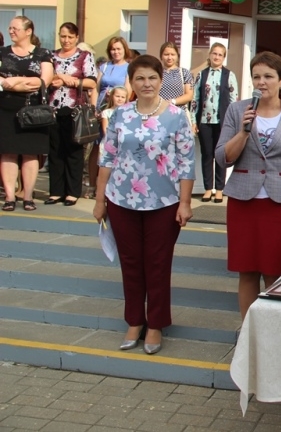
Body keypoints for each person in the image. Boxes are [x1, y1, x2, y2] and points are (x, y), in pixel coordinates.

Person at [93, 54, 195, 355]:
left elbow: (187, 162)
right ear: (132, 82)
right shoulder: (120, 114)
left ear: (161, 80)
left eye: (152, 77)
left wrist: (185, 202)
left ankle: (156, 324)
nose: (146, 83)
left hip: (164, 201)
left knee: (158, 264)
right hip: (121, 200)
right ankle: (135, 321)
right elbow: (107, 158)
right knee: (131, 263)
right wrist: (99, 200)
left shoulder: (176, 115)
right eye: (140, 78)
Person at [216, 51, 281, 319]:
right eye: (256, 76)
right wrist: (243, 131)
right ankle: (247, 329)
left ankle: (272, 329)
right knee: (247, 271)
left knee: (276, 270)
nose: (261, 82)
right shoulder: (237, 110)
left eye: (268, 76)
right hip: (243, 202)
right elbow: (223, 157)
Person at [0, 16, 55, 212]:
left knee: (30, 152)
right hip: (6, 108)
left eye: (15, 28)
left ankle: (28, 197)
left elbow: (44, 80)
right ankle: (9, 197)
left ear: (28, 31)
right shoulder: (2, 52)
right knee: (8, 152)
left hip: (33, 110)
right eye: (10, 28)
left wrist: (14, 81)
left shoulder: (42, 53)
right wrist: (19, 85)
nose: (11, 31)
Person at [45, 22, 97, 206]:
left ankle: (72, 192)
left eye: (69, 37)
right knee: (55, 151)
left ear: (76, 38)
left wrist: (68, 80)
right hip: (53, 109)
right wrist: (56, 78)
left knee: (74, 151)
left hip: (75, 110)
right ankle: (56, 191)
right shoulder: (51, 56)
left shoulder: (84, 56)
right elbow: (44, 77)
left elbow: (91, 82)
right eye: (63, 36)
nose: (66, 40)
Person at [194, 42, 239, 203]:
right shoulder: (201, 75)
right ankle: (208, 189)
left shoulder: (229, 75)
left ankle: (219, 189)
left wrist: (233, 123)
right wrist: (193, 120)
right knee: (207, 154)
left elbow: (234, 101)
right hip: (204, 121)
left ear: (224, 57)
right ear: (210, 54)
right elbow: (195, 99)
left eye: (220, 54)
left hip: (222, 122)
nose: (217, 57)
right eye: (214, 53)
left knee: (220, 155)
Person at [87, 37, 132, 199]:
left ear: (124, 50)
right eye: (113, 49)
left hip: (117, 110)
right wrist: (94, 109)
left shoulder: (129, 67)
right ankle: (92, 185)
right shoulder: (104, 66)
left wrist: (120, 106)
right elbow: (96, 88)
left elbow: (128, 91)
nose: (116, 52)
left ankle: (112, 187)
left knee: (114, 149)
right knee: (96, 149)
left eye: (119, 49)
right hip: (101, 111)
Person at [158, 41, 194, 110]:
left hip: (178, 112)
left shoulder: (184, 73)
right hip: (159, 111)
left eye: (173, 54)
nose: (169, 57)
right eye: (166, 54)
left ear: (177, 56)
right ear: (161, 56)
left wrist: (172, 102)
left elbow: (189, 95)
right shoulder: (156, 73)